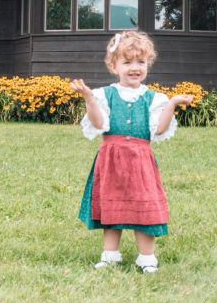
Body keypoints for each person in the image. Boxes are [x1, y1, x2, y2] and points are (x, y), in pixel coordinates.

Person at [70, 31, 193, 274]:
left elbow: (158, 129)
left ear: (148, 64)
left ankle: (146, 257)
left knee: (144, 205)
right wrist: (88, 98)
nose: (134, 68)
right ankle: (110, 255)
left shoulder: (154, 98)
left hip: (140, 160)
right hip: (111, 159)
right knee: (111, 205)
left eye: (141, 62)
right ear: (114, 66)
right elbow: (97, 123)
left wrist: (172, 103)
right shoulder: (104, 95)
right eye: (127, 62)